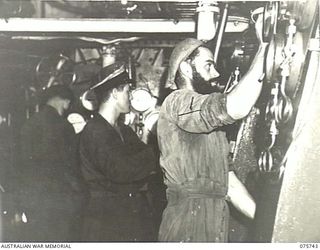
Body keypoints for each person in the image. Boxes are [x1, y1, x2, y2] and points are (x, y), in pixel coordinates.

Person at [157, 14, 268, 242]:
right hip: (189, 221)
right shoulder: (178, 101)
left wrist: (268, 224)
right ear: (186, 68)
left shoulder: (210, 126)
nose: (216, 74)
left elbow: (230, 186)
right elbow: (235, 106)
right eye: (208, 65)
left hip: (214, 218)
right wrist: (266, 47)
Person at [79, 62, 157, 241]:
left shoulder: (123, 129)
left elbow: (143, 159)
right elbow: (122, 170)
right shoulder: (95, 130)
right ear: (115, 92)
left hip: (126, 215)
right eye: (128, 91)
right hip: (105, 220)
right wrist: (155, 152)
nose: (131, 97)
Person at [18, 84, 88, 241]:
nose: (67, 108)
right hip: (59, 199)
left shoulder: (29, 124)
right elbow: (72, 165)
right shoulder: (63, 126)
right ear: (64, 101)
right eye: (68, 104)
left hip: (33, 197)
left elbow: (23, 164)